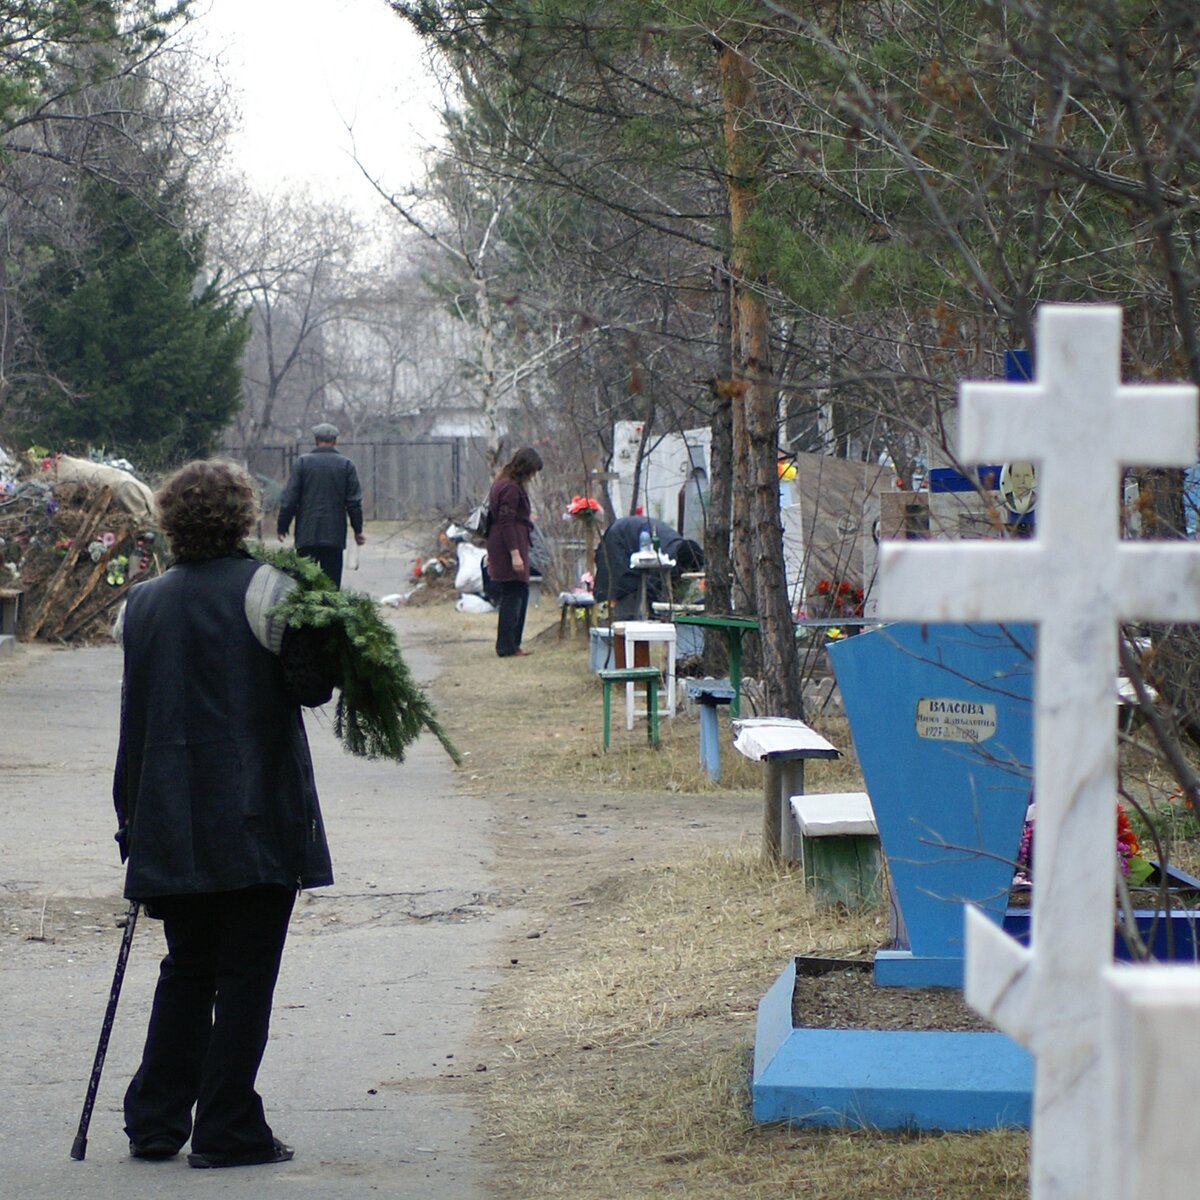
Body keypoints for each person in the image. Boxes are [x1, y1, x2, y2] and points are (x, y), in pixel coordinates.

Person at [113, 459, 335, 1170]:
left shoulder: (139, 605)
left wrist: (130, 824)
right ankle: (227, 1127)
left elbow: (137, 718)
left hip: (167, 814)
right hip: (253, 816)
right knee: (243, 973)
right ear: (244, 517)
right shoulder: (270, 589)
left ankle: (155, 1118)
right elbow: (310, 690)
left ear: (172, 521)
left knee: (186, 967)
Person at [276, 422, 365, 587]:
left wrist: (283, 525)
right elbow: (354, 502)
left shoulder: (302, 463)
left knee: (303, 586)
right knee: (330, 588)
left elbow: (290, 499)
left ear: (316, 440)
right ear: (335, 441)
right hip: (334, 536)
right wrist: (358, 530)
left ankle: (305, 613)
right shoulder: (346, 465)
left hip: (306, 534)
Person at [484, 446, 543, 656]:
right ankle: (507, 646)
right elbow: (506, 521)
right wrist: (515, 554)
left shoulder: (500, 483)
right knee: (514, 594)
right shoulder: (510, 488)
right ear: (525, 469)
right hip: (509, 545)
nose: (532, 476)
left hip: (502, 544)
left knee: (517, 592)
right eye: (532, 472)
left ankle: (511, 644)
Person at [593, 515, 703, 620]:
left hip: (631, 535)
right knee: (625, 587)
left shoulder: (679, 548)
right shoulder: (668, 557)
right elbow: (653, 585)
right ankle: (622, 624)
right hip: (621, 539)